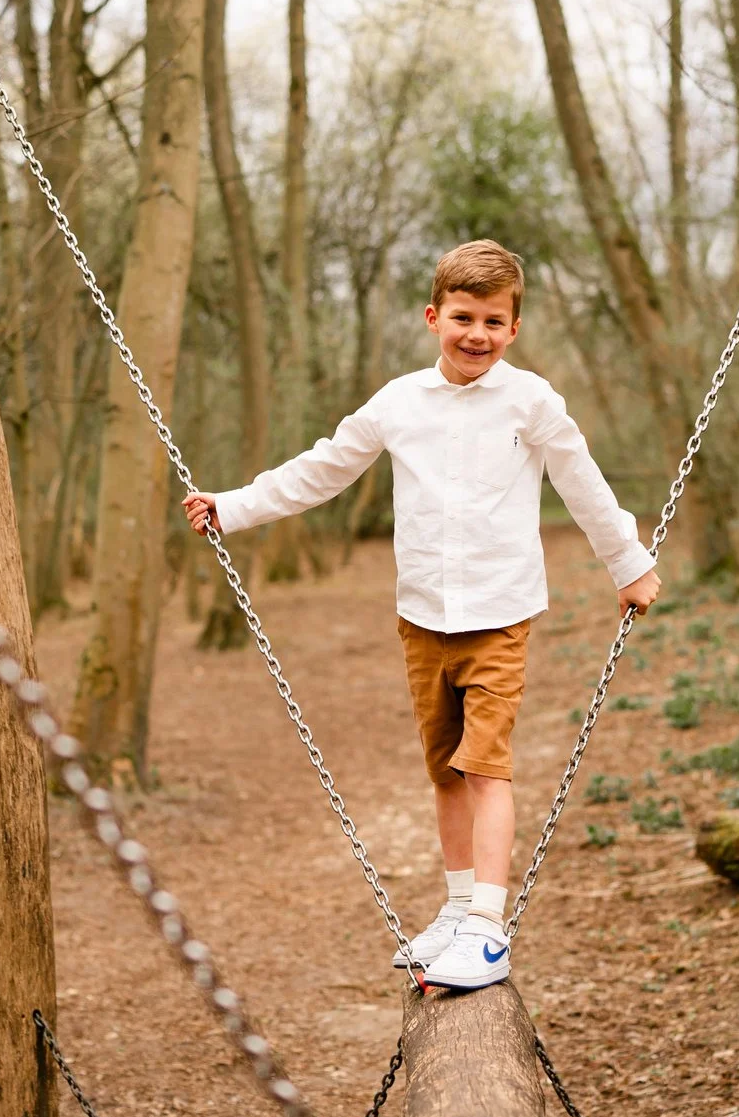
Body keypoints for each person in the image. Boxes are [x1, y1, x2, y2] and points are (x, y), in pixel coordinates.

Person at [185, 239, 661, 990]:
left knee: (484, 767)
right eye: (464, 317)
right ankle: (458, 905)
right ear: (434, 317)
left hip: (500, 614)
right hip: (423, 618)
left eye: (494, 322)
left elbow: (583, 483)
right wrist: (234, 506)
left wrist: (629, 564)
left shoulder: (531, 401)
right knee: (444, 771)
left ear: (514, 329)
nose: (478, 334)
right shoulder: (398, 403)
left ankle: (487, 927)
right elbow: (323, 468)